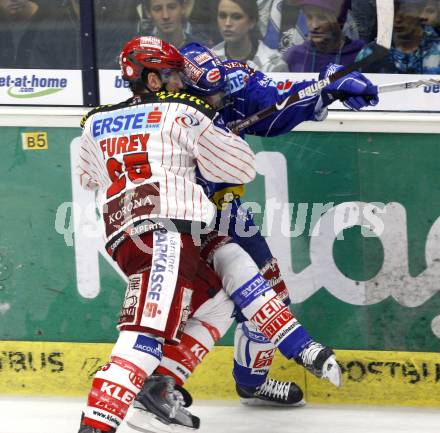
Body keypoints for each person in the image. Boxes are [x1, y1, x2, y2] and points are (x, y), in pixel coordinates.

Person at [124, 43, 379, 430]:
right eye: (205, 95)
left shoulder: (233, 79)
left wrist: (325, 90)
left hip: (224, 212)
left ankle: (251, 383)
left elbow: (277, 105)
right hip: (175, 220)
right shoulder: (157, 108)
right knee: (185, 310)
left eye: (218, 92)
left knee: (269, 294)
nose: (215, 99)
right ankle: (152, 390)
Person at [76, 35, 256, 433]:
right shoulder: (182, 113)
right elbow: (241, 170)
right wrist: (220, 131)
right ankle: (95, 426)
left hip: (125, 240)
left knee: (216, 301)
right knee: (144, 336)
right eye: (174, 76)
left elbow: (89, 177)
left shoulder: (94, 123)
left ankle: (156, 387)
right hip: (166, 237)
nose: (182, 84)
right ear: (153, 80)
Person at [356, 0, 440, 74]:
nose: (397, 19)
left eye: (405, 11)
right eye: (392, 11)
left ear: (419, 12)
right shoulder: (369, 53)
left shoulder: (437, 49)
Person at [284, 0, 366, 72]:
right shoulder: (294, 57)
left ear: (339, 20)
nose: (314, 26)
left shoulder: (362, 56)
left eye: (322, 18)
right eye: (309, 17)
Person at [211, 0, 288, 71]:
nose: (227, 23)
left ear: (252, 22)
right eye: (222, 16)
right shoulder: (208, 60)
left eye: (237, 17)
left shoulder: (273, 64)